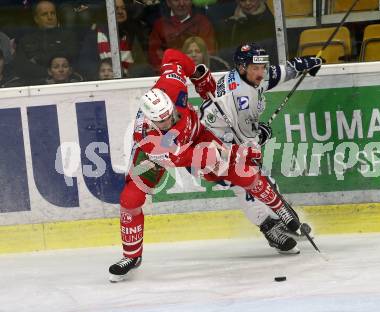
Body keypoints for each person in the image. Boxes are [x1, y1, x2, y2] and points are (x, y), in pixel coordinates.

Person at [108, 48, 307, 282]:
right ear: (151, 120)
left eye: (169, 114)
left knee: (243, 171)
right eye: (161, 120)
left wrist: (198, 75)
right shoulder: (156, 143)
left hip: (198, 135)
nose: (168, 120)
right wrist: (242, 150)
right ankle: (131, 256)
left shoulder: (171, 87)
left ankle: (279, 208)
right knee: (129, 200)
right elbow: (209, 157)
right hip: (153, 159)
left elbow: (172, 55)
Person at [199, 43, 322, 252]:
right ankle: (270, 229)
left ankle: (279, 222)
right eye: (255, 68)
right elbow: (246, 140)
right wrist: (260, 136)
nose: (260, 72)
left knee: (262, 182)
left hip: (228, 141)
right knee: (248, 186)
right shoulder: (239, 96)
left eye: (262, 66)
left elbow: (273, 75)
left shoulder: (247, 75)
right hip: (211, 149)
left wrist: (301, 65)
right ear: (241, 67)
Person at [14, 0, 78, 83]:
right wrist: (49, 72)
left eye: (53, 13)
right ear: (36, 19)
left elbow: (74, 61)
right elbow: (22, 68)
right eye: (45, 14)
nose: (50, 17)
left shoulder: (69, 36)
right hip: (36, 86)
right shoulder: (26, 40)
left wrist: (38, 59)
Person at [148, 0, 216, 72]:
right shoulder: (160, 25)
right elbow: (154, 57)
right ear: (168, 2)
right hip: (171, 75)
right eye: (176, 0)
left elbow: (209, 53)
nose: (181, 3)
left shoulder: (202, 22)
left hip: (197, 74)